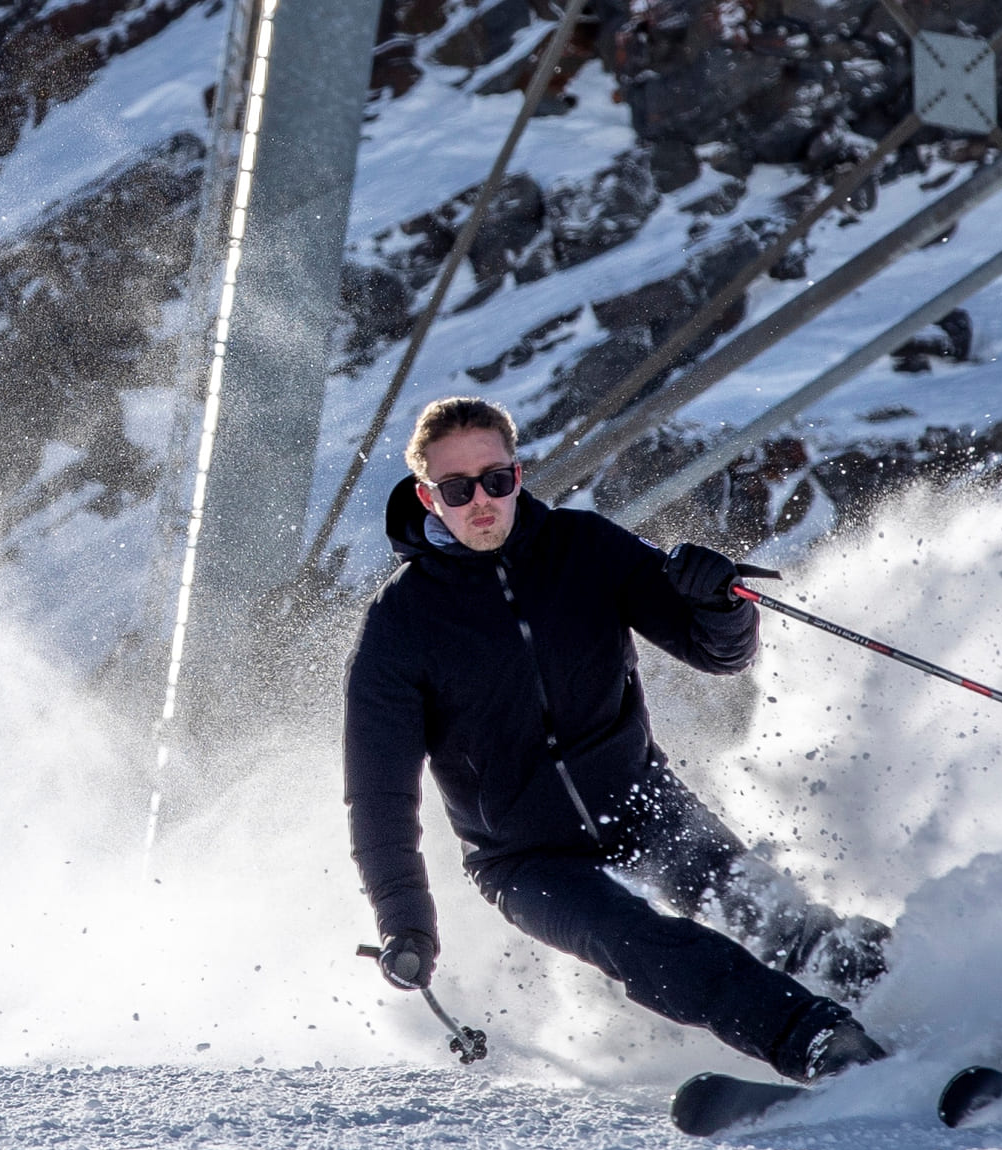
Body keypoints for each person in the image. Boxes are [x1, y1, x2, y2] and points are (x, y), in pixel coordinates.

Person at [343, 396, 891, 1081]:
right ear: (428, 497)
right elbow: (378, 794)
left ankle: (911, 998)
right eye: (457, 489)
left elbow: (716, 653)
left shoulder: (584, 549)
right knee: (643, 944)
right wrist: (405, 923)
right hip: (524, 858)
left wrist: (713, 602)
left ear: (518, 472)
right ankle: (817, 1045)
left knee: (773, 915)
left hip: (636, 798)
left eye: (496, 480)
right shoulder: (401, 624)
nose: (480, 501)